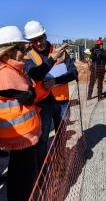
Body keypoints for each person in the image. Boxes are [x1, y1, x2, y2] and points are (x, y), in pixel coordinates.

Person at [0, 26, 42, 201]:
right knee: (22, 180)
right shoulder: (5, 73)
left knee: (19, 175)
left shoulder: (14, 69)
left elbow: (28, 94)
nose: (24, 53)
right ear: (9, 50)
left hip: (23, 137)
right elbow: (26, 97)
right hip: (19, 137)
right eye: (22, 48)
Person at [23, 20, 68, 169]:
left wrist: (56, 80)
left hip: (61, 100)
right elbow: (35, 74)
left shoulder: (59, 50)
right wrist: (52, 58)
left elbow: (73, 72)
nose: (38, 43)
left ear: (45, 35)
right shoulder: (27, 55)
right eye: (34, 41)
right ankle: (41, 171)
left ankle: (61, 161)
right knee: (42, 139)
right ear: (30, 41)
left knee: (61, 134)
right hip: (43, 103)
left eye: (40, 39)